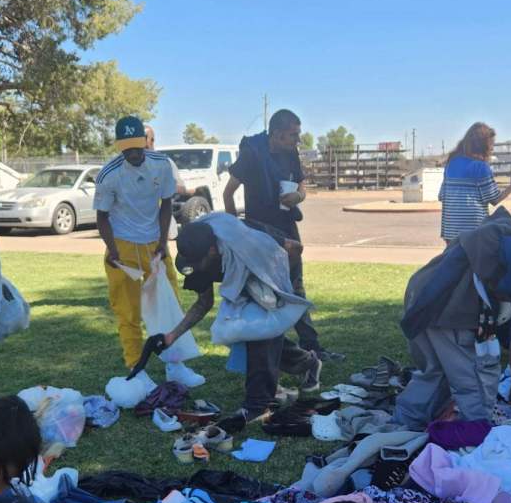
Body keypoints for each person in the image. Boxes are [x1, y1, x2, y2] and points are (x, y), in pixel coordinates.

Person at [393, 201, 511, 427]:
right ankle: (477, 432)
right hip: (451, 313)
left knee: (435, 374)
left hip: (424, 300)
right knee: (473, 380)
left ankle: (403, 425)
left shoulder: (498, 236)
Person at [165, 214, 322, 432]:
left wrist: (283, 285)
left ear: (212, 250)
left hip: (270, 270)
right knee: (247, 331)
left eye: (197, 262)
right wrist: (173, 334)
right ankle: (308, 362)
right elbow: (203, 303)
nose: (194, 267)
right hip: (243, 282)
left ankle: (257, 405)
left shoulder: (247, 240)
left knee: (260, 337)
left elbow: (295, 248)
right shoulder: (192, 256)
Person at [96, 116, 204, 389]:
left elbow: (166, 204)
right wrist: (112, 249)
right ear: (119, 146)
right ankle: (136, 369)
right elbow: (102, 217)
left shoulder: (162, 165)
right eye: (127, 148)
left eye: (137, 146)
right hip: (122, 246)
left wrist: (162, 241)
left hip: (154, 245)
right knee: (128, 310)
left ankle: (175, 365)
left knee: (168, 304)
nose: (133, 153)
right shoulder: (109, 175)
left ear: (145, 142)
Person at [223, 109, 340, 360]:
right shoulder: (252, 154)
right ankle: (270, 348)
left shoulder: (291, 154)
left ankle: (311, 346)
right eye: (293, 135)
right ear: (276, 134)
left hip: (287, 227)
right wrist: (236, 233)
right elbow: (228, 192)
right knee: (265, 292)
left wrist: (298, 196)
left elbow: (301, 186)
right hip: (261, 232)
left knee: (296, 286)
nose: (298, 140)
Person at [438, 121, 511, 242]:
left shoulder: (452, 163)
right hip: (473, 232)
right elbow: (494, 199)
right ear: (482, 145)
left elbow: (442, 196)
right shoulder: (480, 167)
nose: (492, 148)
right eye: (491, 144)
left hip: (450, 231)